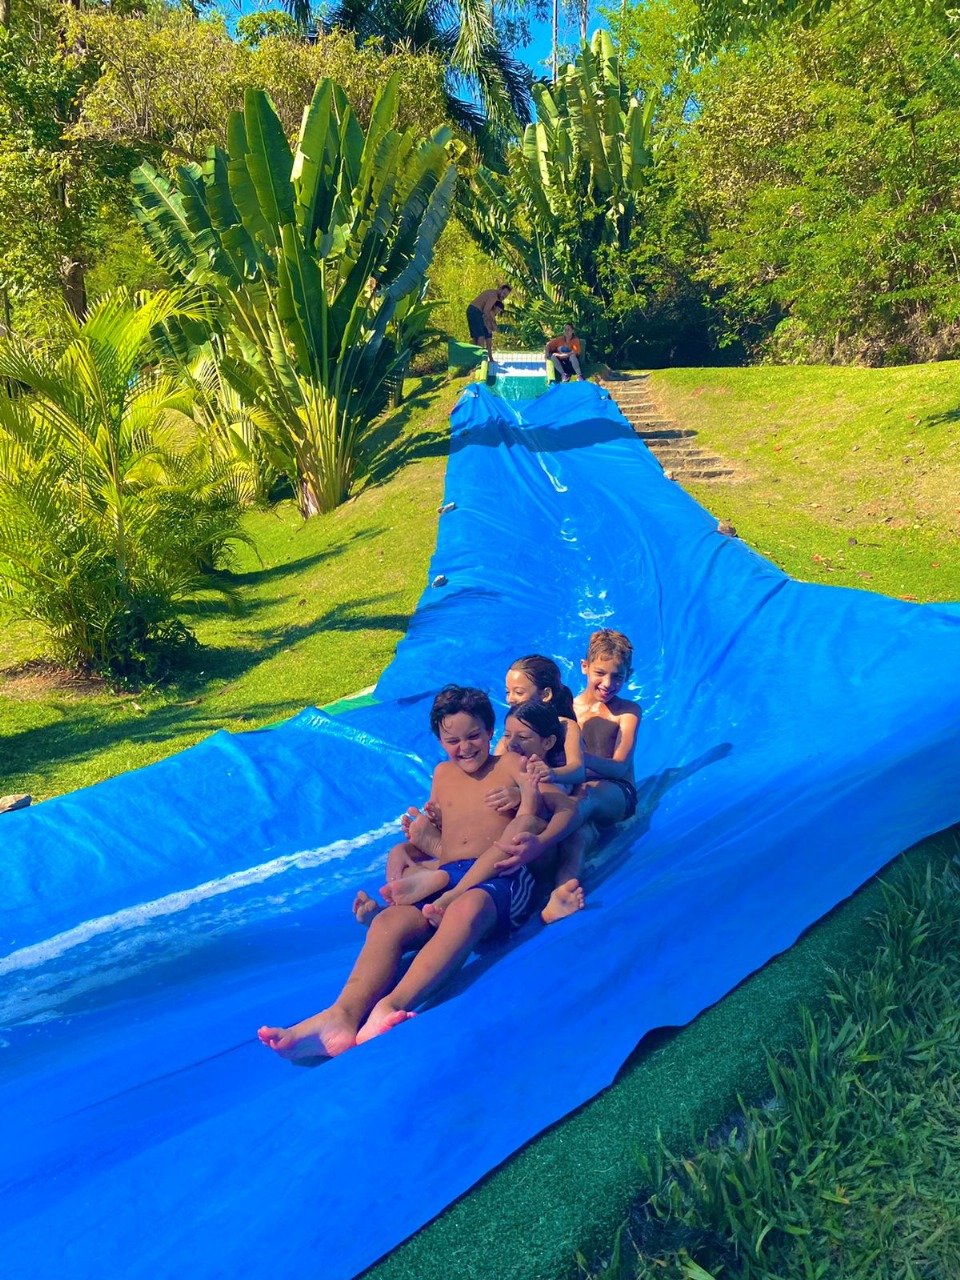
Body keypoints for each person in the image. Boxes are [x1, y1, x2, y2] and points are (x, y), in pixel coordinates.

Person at [259, 685, 578, 1060]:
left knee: (466, 909)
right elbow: (449, 831)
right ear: (439, 740)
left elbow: (568, 809)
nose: (465, 747)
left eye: (474, 735)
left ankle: (391, 1004)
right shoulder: (443, 775)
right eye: (452, 740)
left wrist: (540, 844)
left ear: (491, 732)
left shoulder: (509, 765)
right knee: (389, 923)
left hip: (500, 877)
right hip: (450, 868)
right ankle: (340, 1017)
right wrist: (404, 848)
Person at [466, 284, 511, 358]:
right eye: (504, 293)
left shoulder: (494, 295)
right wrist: (493, 323)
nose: (504, 296)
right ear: (500, 289)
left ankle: (475, 359)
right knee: (481, 336)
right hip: (475, 310)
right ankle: (478, 359)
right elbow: (486, 311)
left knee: (476, 337)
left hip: (472, 310)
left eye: (506, 296)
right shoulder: (494, 295)